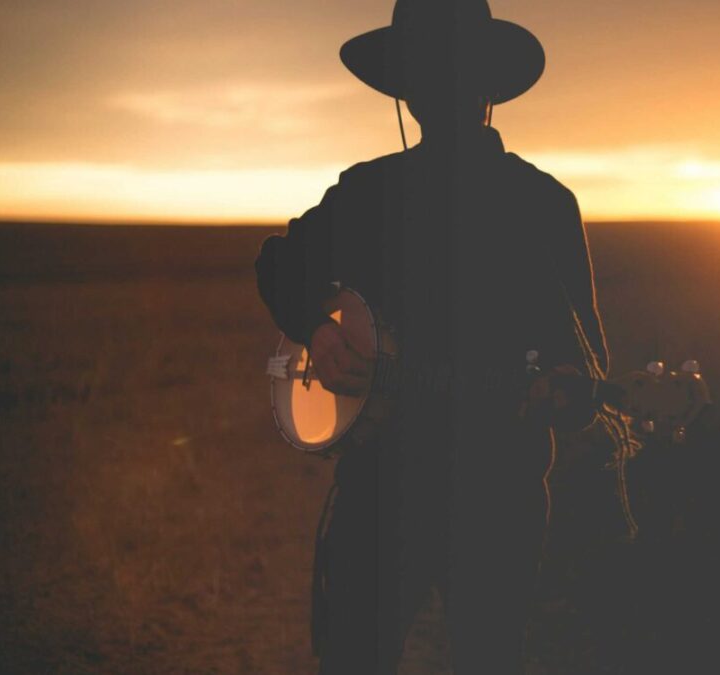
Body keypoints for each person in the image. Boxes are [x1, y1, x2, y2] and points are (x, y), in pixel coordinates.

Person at [255, 1, 609, 672]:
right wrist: (314, 331)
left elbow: (585, 375)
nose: (438, 90)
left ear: (482, 87)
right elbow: (279, 262)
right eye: (428, 73)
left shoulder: (538, 204)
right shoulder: (369, 193)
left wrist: (563, 391)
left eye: (451, 72)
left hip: (491, 501)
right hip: (386, 496)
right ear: (410, 92)